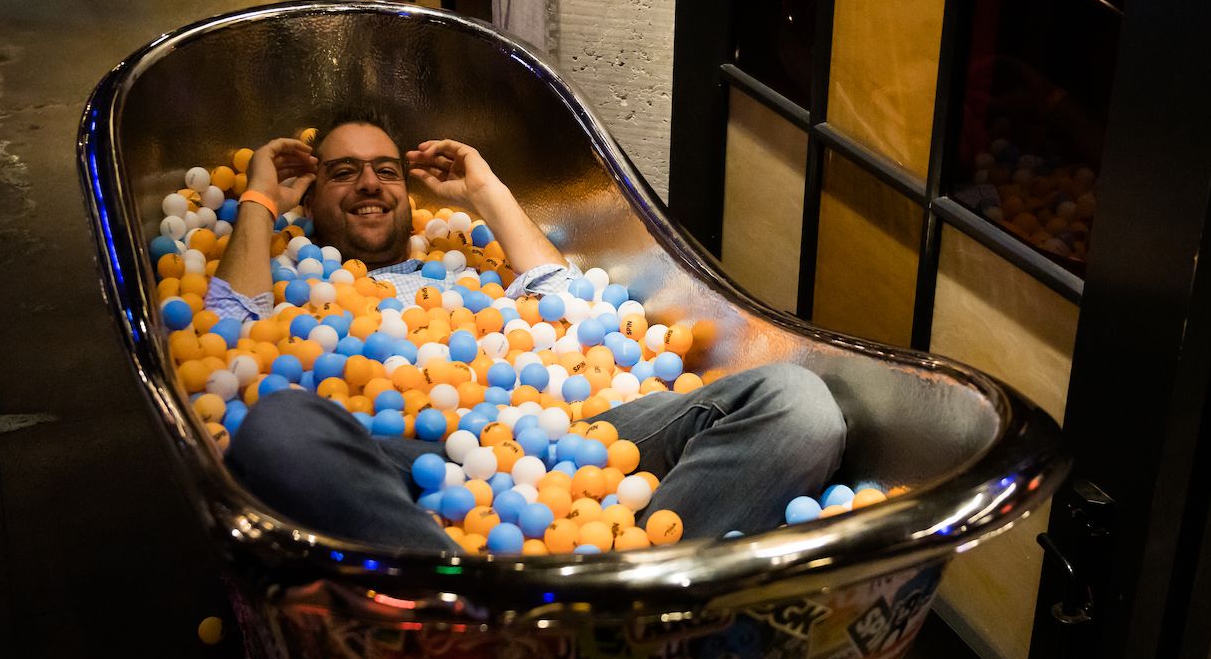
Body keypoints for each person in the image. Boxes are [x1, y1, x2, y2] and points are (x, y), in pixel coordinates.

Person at [206, 111, 846, 552]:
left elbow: (570, 306)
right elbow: (229, 347)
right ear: (309, 200)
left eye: (387, 170)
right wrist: (259, 202)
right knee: (278, 430)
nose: (370, 181)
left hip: (576, 443)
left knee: (801, 406)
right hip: (400, 453)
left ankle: (627, 588)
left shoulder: (470, 255)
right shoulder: (286, 273)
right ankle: (474, 612)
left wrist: (485, 192)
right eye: (343, 171)